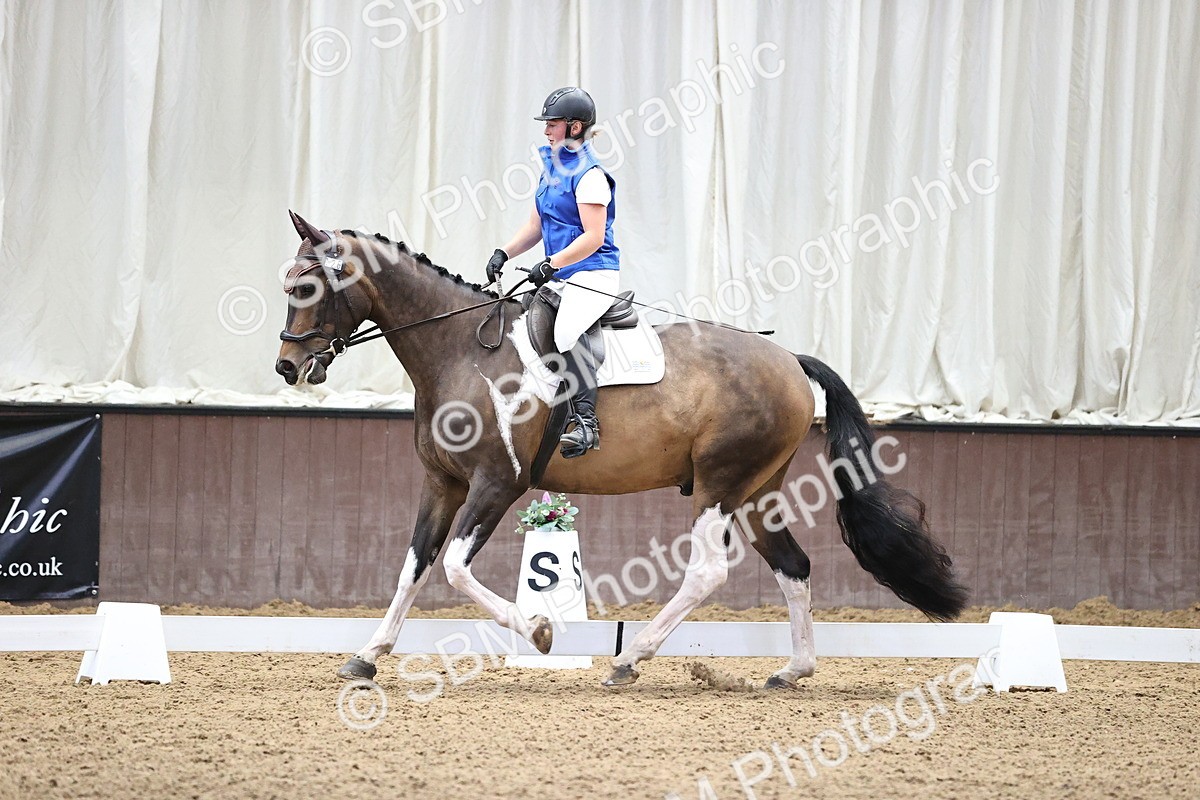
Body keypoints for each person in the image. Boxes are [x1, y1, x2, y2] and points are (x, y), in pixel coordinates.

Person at [485, 87, 620, 459]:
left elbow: (593, 237)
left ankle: (586, 423)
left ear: (575, 128)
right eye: (547, 123)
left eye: (554, 124)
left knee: (564, 332)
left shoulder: (590, 175)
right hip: (560, 273)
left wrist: (552, 263)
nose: (546, 130)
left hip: (594, 273)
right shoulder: (552, 168)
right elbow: (535, 227)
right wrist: (504, 251)